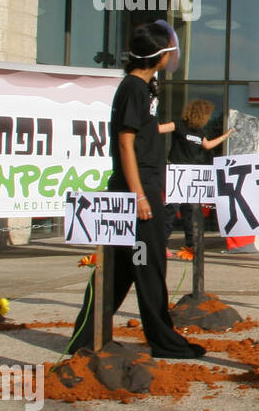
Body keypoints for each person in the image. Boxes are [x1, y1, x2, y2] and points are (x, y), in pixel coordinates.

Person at [69, 22, 205, 359]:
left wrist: (170, 128)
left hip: (142, 189)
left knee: (120, 269)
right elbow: (126, 144)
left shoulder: (142, 89)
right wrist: (140, 196)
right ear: (159, 56)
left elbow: (141, 131)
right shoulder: (133, 88)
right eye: (170, 51)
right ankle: (163, 340)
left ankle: (85, 339)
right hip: (138, 193)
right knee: (148, 268)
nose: (173, 56)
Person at [165, 99, 232, 255]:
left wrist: (225, 137)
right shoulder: (179, 124)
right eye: (206, 115)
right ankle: (163, 245)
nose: (208, 118)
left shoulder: (199, 132)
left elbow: (207, 145)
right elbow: (159, 129)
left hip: (191, 173)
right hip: (176, 171)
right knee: (171, 210)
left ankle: (191, 245)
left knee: (191, 211)